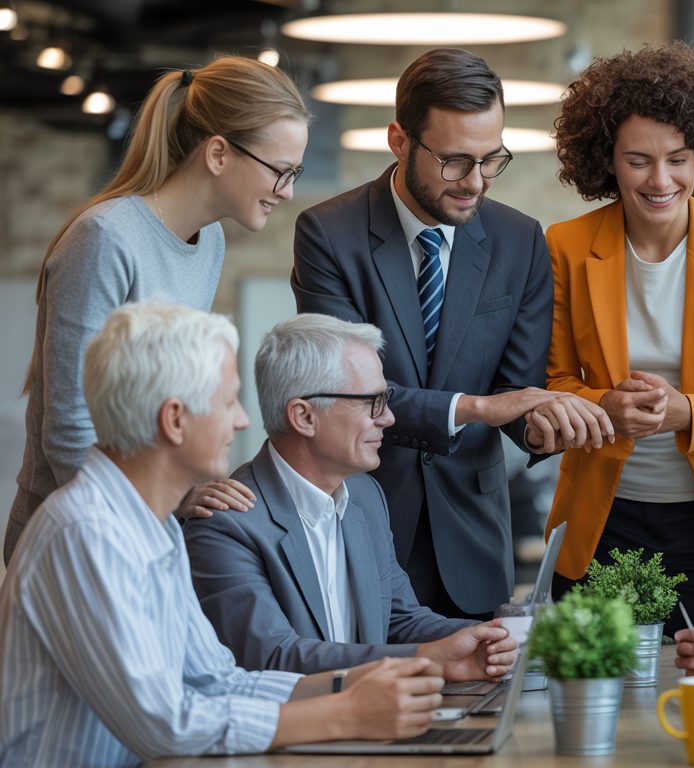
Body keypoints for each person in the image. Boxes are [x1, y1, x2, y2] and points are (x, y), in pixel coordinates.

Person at [0, 304, 448, 766]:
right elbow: (166, 726)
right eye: (227, 401)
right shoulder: (88, 535)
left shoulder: (148, 527)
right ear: (175, 419)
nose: (242, 421)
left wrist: (360, 683)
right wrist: (346, 713)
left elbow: (219, 680)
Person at [292, 48, 611, 619]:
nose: (476, 183)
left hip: (474, 541)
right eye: (456, 161)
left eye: (492, 160)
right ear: (399, 140)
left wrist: (550, 425)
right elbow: (345, 397)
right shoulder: (328, 235)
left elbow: (518, 394)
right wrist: (485, 408)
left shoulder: (520, 241)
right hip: (364, 523)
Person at [6, 56, 311, 564]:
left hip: (146, 522)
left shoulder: (207, 241)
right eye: (281, 172)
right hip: (75, 540)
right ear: (218, 153)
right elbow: (70, 433)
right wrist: (167, 500)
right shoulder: (105, 238)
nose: (289, 192)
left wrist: (183, 493)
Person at [542, 41, 694, 638]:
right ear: (606, 159)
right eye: (638, 161)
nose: (661, 180)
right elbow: (550, 384)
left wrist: (686, 412)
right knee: (598, 690)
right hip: (604, 521)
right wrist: (605, 405)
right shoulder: (566, 247)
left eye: (678, 159)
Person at [185, 314, 518, 678]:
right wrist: (426, 657)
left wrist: (489, 636)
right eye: (372, 402)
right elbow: (273, 658)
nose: (389, 418)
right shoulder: (227, 523)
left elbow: (400, 618)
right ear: (304, 416)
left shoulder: (365, 494)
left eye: (386, 399)